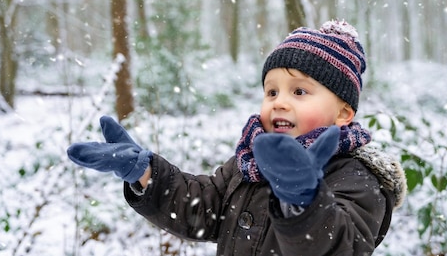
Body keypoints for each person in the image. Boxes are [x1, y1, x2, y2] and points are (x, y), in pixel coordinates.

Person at [67, 20, 406, 256]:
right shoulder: (249, 165)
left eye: (299, 91)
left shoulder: (359, 180)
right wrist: (145, 173)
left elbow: (337, 248)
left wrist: (304, 198)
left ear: (344, 114)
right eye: (271, 92)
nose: (280, 102)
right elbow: (199, 207)